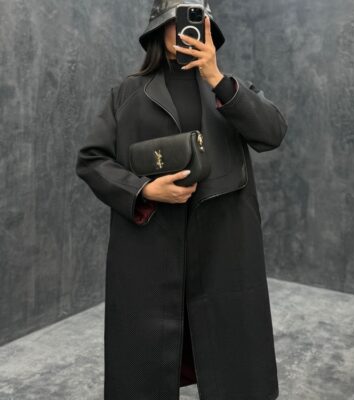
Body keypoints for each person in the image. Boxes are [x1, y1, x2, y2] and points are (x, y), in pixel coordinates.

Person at [75, 1, 288, 399]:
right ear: (159, 29)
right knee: (145, 366)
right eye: (175, 19)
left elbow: (272, 133)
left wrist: (216, 77)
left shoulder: (227, 89)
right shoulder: (126, 94)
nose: (185, 28)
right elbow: (91, 160)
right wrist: (143, 190)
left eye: (195, 19)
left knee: (233, 362)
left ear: (209, 29)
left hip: (223, 245)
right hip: (152, 246)